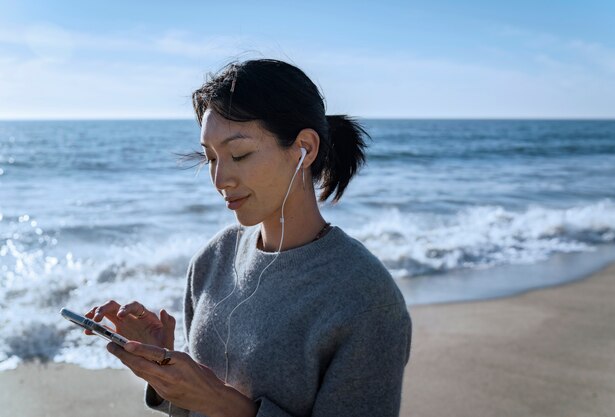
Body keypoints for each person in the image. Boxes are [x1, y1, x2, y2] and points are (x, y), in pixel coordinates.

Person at [86, 58, 412, 417]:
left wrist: (223, 403)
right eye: (210, 158)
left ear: (305, 148)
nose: (220, 178)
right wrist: (166, 370)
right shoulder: (214, 258)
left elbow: (214, 404)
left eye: (239, 154)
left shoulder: (365, 299)